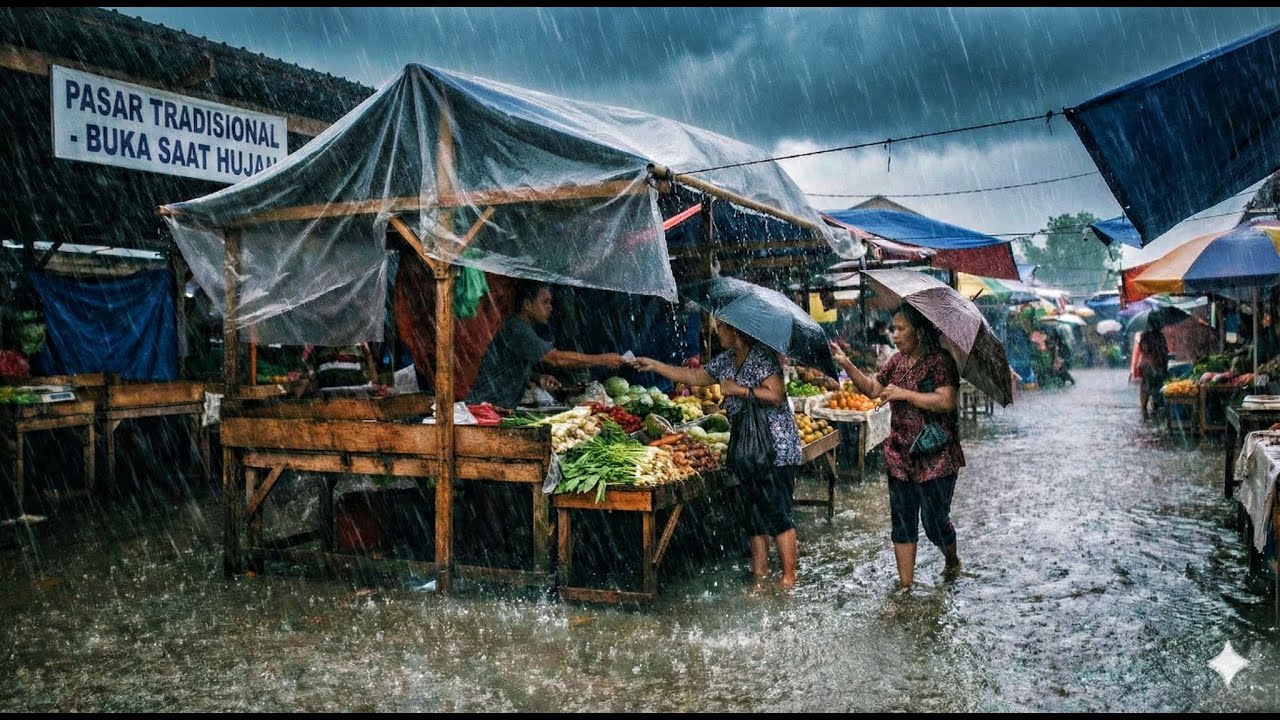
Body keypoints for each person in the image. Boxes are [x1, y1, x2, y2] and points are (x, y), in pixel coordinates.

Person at [631, 319, 803, 591]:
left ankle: (788, 578)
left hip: (775, 447)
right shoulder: (727, 360)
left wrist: (737, 390)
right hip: (748, 448)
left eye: (720, 327)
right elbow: (694, 377)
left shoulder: (761, 356)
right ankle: (760, 575)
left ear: (734, 330)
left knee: (777, 511)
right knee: (753, 513)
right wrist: (655, 365)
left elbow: (777, 395)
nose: (715, 331)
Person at [829, 304, 964, 590]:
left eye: (901, 329)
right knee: (902, 522)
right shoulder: (896, 362)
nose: (895, 334)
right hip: (900, 455)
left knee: (934, 523)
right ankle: (906, 587)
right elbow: (873, 389)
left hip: (936, 457)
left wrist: (905, 394)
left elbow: (947, 400)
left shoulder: (940, 361)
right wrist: (846, 364)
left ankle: (951, 559)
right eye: (894, 329)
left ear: (920, 331)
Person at [468, 280, 624, 409]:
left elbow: (507, 365)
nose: (550, 307)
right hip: (483, 406)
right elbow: (556, 359)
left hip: (494, 407)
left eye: (550, 302)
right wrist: (602, 359)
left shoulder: (522, 327)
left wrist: (537, 377)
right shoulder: (517, 328)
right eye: (545, 302)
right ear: (527, 305)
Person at [1136, 316, 1170, 422]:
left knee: (1148, 388)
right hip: (1152, 367)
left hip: (1152, 366)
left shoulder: (1146, 336)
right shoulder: (1154, 337)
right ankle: (1150, 411)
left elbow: (1144, 350)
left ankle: (1148, 411)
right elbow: (1162, 352)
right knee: (1152, 388)